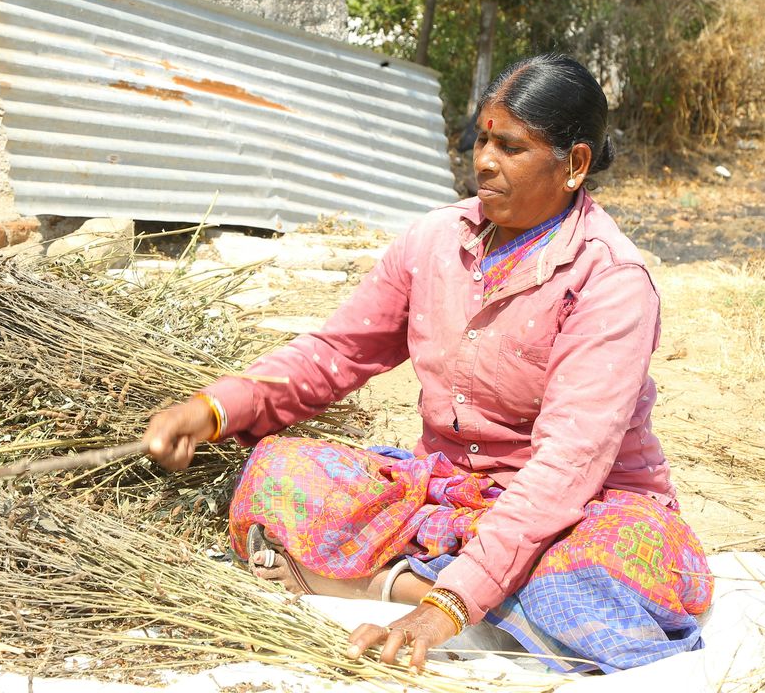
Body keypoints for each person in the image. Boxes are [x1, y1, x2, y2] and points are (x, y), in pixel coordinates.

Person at [142, 53, 713, 674]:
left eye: (511, 147)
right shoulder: (433, 241)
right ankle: (473, 600)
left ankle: (401, 585)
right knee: (280, 471)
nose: (485, 160)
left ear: (574, 164)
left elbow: (568, 467)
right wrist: (216, 408)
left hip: (583, 508)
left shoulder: (610, 281)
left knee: (588, 582)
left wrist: (449, 604)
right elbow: (336, 352)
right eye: (483, 138)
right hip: (451, 491)